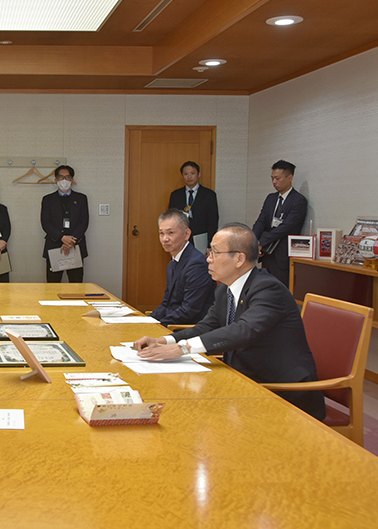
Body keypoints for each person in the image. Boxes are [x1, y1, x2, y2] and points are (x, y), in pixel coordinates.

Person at [133, 223, 325, 420]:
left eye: (215, 252)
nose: (208, 259)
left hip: (283, 393)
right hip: (243, 382)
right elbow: (207, 326)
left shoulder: (268, 289)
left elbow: (243, 330)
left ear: (239, 258)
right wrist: (165, 341)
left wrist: (183, 349)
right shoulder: (225, 290)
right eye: (209, 252)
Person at [150, 209, 216, 326]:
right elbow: (166, 304)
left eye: (171, 233)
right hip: (172, 323)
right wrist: (148, 321)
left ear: (187, 234)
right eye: (161, 233)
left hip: (185, 328)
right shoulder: (173, 263)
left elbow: (189, 310)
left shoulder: (197, 264)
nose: (165, 239)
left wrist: (158, 325)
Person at [252, 159, 307, 287]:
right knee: (265, 288)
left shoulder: (298, 201)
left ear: (290, 177)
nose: (274, 182)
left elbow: (286, 227)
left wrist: (261, 242)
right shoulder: (271, 198)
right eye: (272, 178)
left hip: (282, 254)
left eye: (277, 178)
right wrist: (254, 242)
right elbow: (261, 221)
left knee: (280, 290)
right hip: (267, 253)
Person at [40, 165, 89, 283]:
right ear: (55, 180)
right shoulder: (48, 199)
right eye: (61, 177)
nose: (64, 180)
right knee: (52, 286)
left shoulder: (81, 198)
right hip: (54, 246)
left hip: (75, 245)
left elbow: (84, 221)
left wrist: (71, 240)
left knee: (76, 285)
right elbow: (46, 223)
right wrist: (62, 238)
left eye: (67, 177)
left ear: (72, 180)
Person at [168, 160, 219, 251]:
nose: (189, 176)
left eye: (192, 173)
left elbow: (213, 220)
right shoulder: (175, 195)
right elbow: (171, 219)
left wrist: (210, 244)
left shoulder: (209, 195)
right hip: (180, 237)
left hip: (201, 238)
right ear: (182, 176)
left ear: (199, 174)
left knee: (200, 264)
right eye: (186, 174)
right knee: (181, 263)